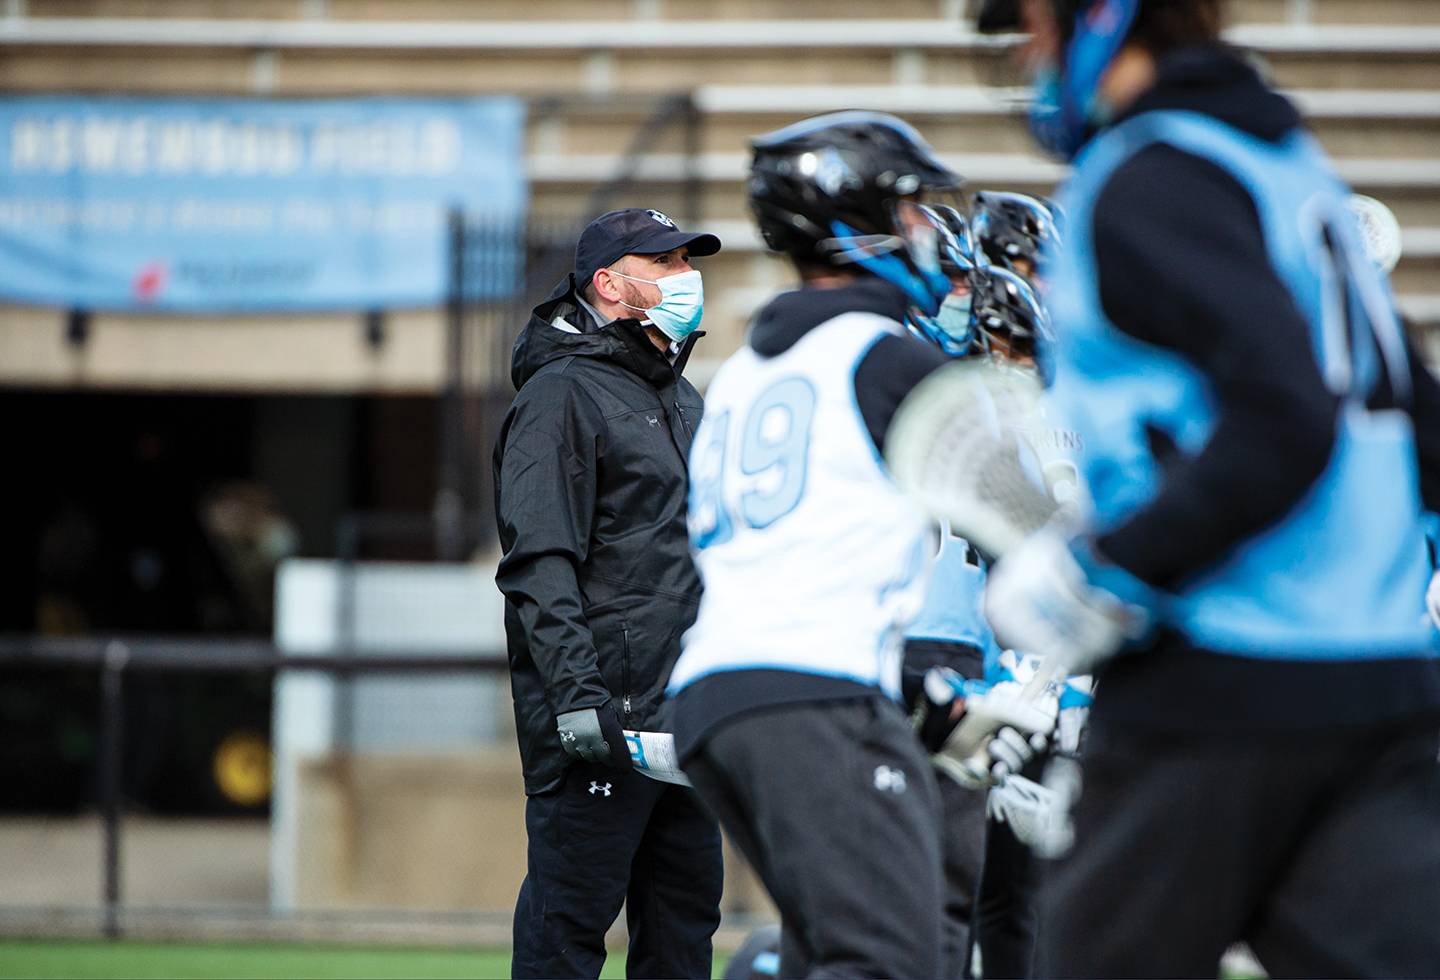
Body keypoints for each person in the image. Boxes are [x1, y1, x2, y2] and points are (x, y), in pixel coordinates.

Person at [973, 1, 1440, 975]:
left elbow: (1285, 421)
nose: (1026, 52)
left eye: (1031, 23)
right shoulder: (1292, 170)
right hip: (1375, 675)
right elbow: (1414, 422)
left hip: (1225, 675)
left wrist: (1098, 569)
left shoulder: (1149, 175)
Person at [667, 111, 965, 980]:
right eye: (909, 208)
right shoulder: (885, 358)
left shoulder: (742, 372)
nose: (926, 230)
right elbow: (1024, 528)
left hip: (717, 696)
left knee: (825, 950)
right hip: (818, 696)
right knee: (889, 960)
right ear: (853, 222)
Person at [493, 207, 725, 979]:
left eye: (688, 261)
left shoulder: (684, 400)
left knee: (684, 942)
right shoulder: (561, 393)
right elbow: (540, 561)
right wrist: (578, 700)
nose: (686, 277)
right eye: (665, 263)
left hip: (681, 721)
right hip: (604, 720)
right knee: (566, 941)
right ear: (611, 283)